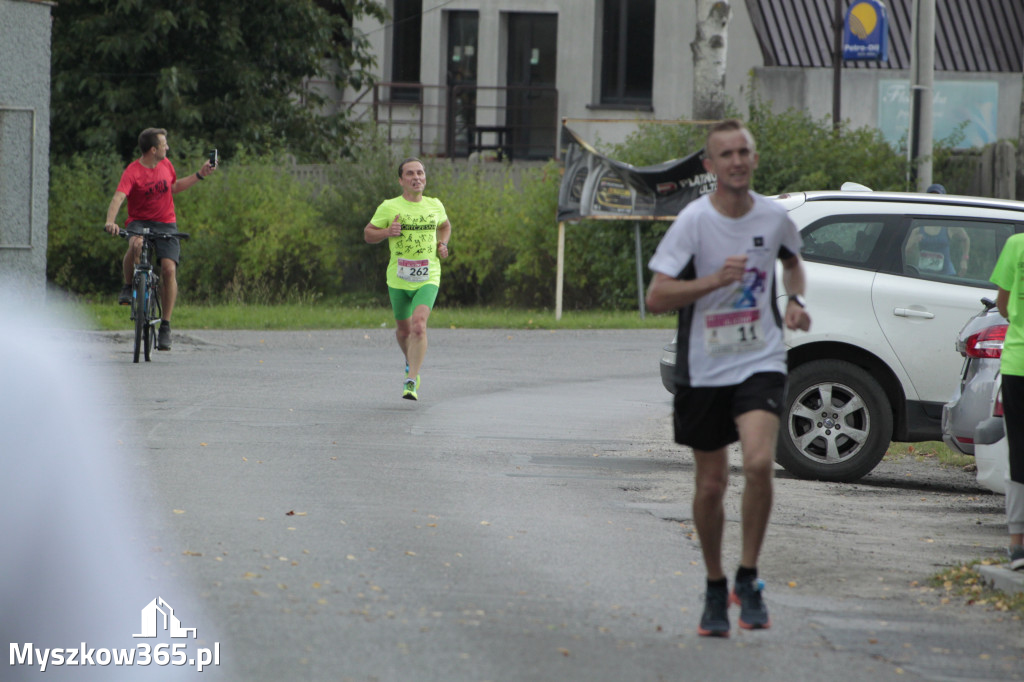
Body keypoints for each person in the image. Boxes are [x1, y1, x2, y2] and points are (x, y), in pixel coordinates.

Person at [645, 119, 811, 637]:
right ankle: (716, 583)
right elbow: (656, 297)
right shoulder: (694, 222)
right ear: (710, 165)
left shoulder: (774, 215)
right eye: (726, 154)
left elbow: (793, 262)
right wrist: (714, 281)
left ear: (754, 159)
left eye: (744, 152)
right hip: (704, 365)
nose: (737, 161)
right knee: (712, 483)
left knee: (760, 464)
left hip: (759, 358)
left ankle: (749, 575)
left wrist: (797, 301)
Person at [104, 128, 216, 351]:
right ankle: (129, 286)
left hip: (165, 222)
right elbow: (119, 197)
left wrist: (200, 174)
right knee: (135, 244)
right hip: (139, 221)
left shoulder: (166, 165)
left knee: (168, 269)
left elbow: (173, 187)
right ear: (153, 149)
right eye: (164, 144)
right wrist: (111, 221)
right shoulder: (133, 171)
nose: (168, 147)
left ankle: (165, 325)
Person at [364, 158, 452, 400]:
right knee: (404, 332)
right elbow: (368, 234)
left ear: (425, 177)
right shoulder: (389, 206)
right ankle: (409, 359)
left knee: (419, 326)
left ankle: (411, 379)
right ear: (401, 180)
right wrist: (386, 232)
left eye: (421, 173)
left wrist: (442, 244)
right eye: (411, 174)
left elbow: (445, 226)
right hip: (399, 279)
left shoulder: (435, 205)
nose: (417, 177)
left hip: (428, 276)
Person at [989, 235, 1024, 571]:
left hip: (1018, 362)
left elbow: (1003, 304)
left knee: (1019, 451)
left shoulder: (1016, 244)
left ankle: (1017, 543)